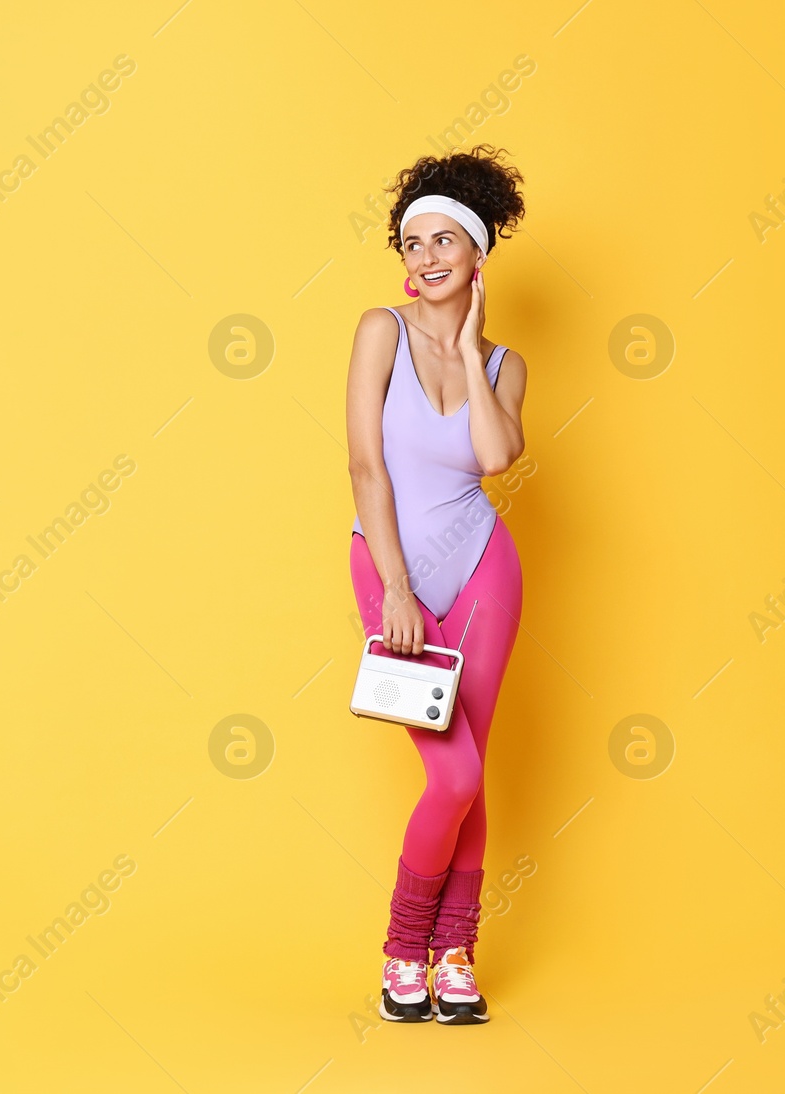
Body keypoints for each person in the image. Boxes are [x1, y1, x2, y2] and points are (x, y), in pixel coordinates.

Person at [345, 145, 528, 1025]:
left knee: (472, 772)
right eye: (410, 243)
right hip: (393, 566)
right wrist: (396, 589)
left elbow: (495, 458)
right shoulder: (379, 329)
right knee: (449, 776)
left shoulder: (505, 366)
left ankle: (452, 957)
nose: (423, 259)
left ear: (476, 254)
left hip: (486, 567)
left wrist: (467, 343)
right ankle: (400, 951)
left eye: (442, 240)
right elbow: (365, 468)